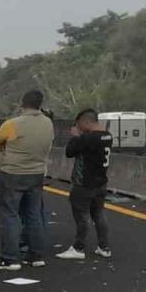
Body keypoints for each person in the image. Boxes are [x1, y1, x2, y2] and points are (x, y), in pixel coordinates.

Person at [0, 89, 54, 270]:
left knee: (9, 215)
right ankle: (35, 256)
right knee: (34, 216)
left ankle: (10, 258)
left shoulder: (12, 124)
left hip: (12, 174)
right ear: (40, 104)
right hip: (37, 174)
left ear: (21, 104)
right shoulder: (48, 123)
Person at [56, 109, 112, 259]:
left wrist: (76, 136)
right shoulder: (107, 136)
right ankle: (104, 247)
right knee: (98, 213)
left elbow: (69, 152)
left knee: (81, 215)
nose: (78, 126)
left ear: (87, 121)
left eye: (79, 123)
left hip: (84, 183)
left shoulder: (87, 138)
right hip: (101, 182)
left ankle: (78, 248)